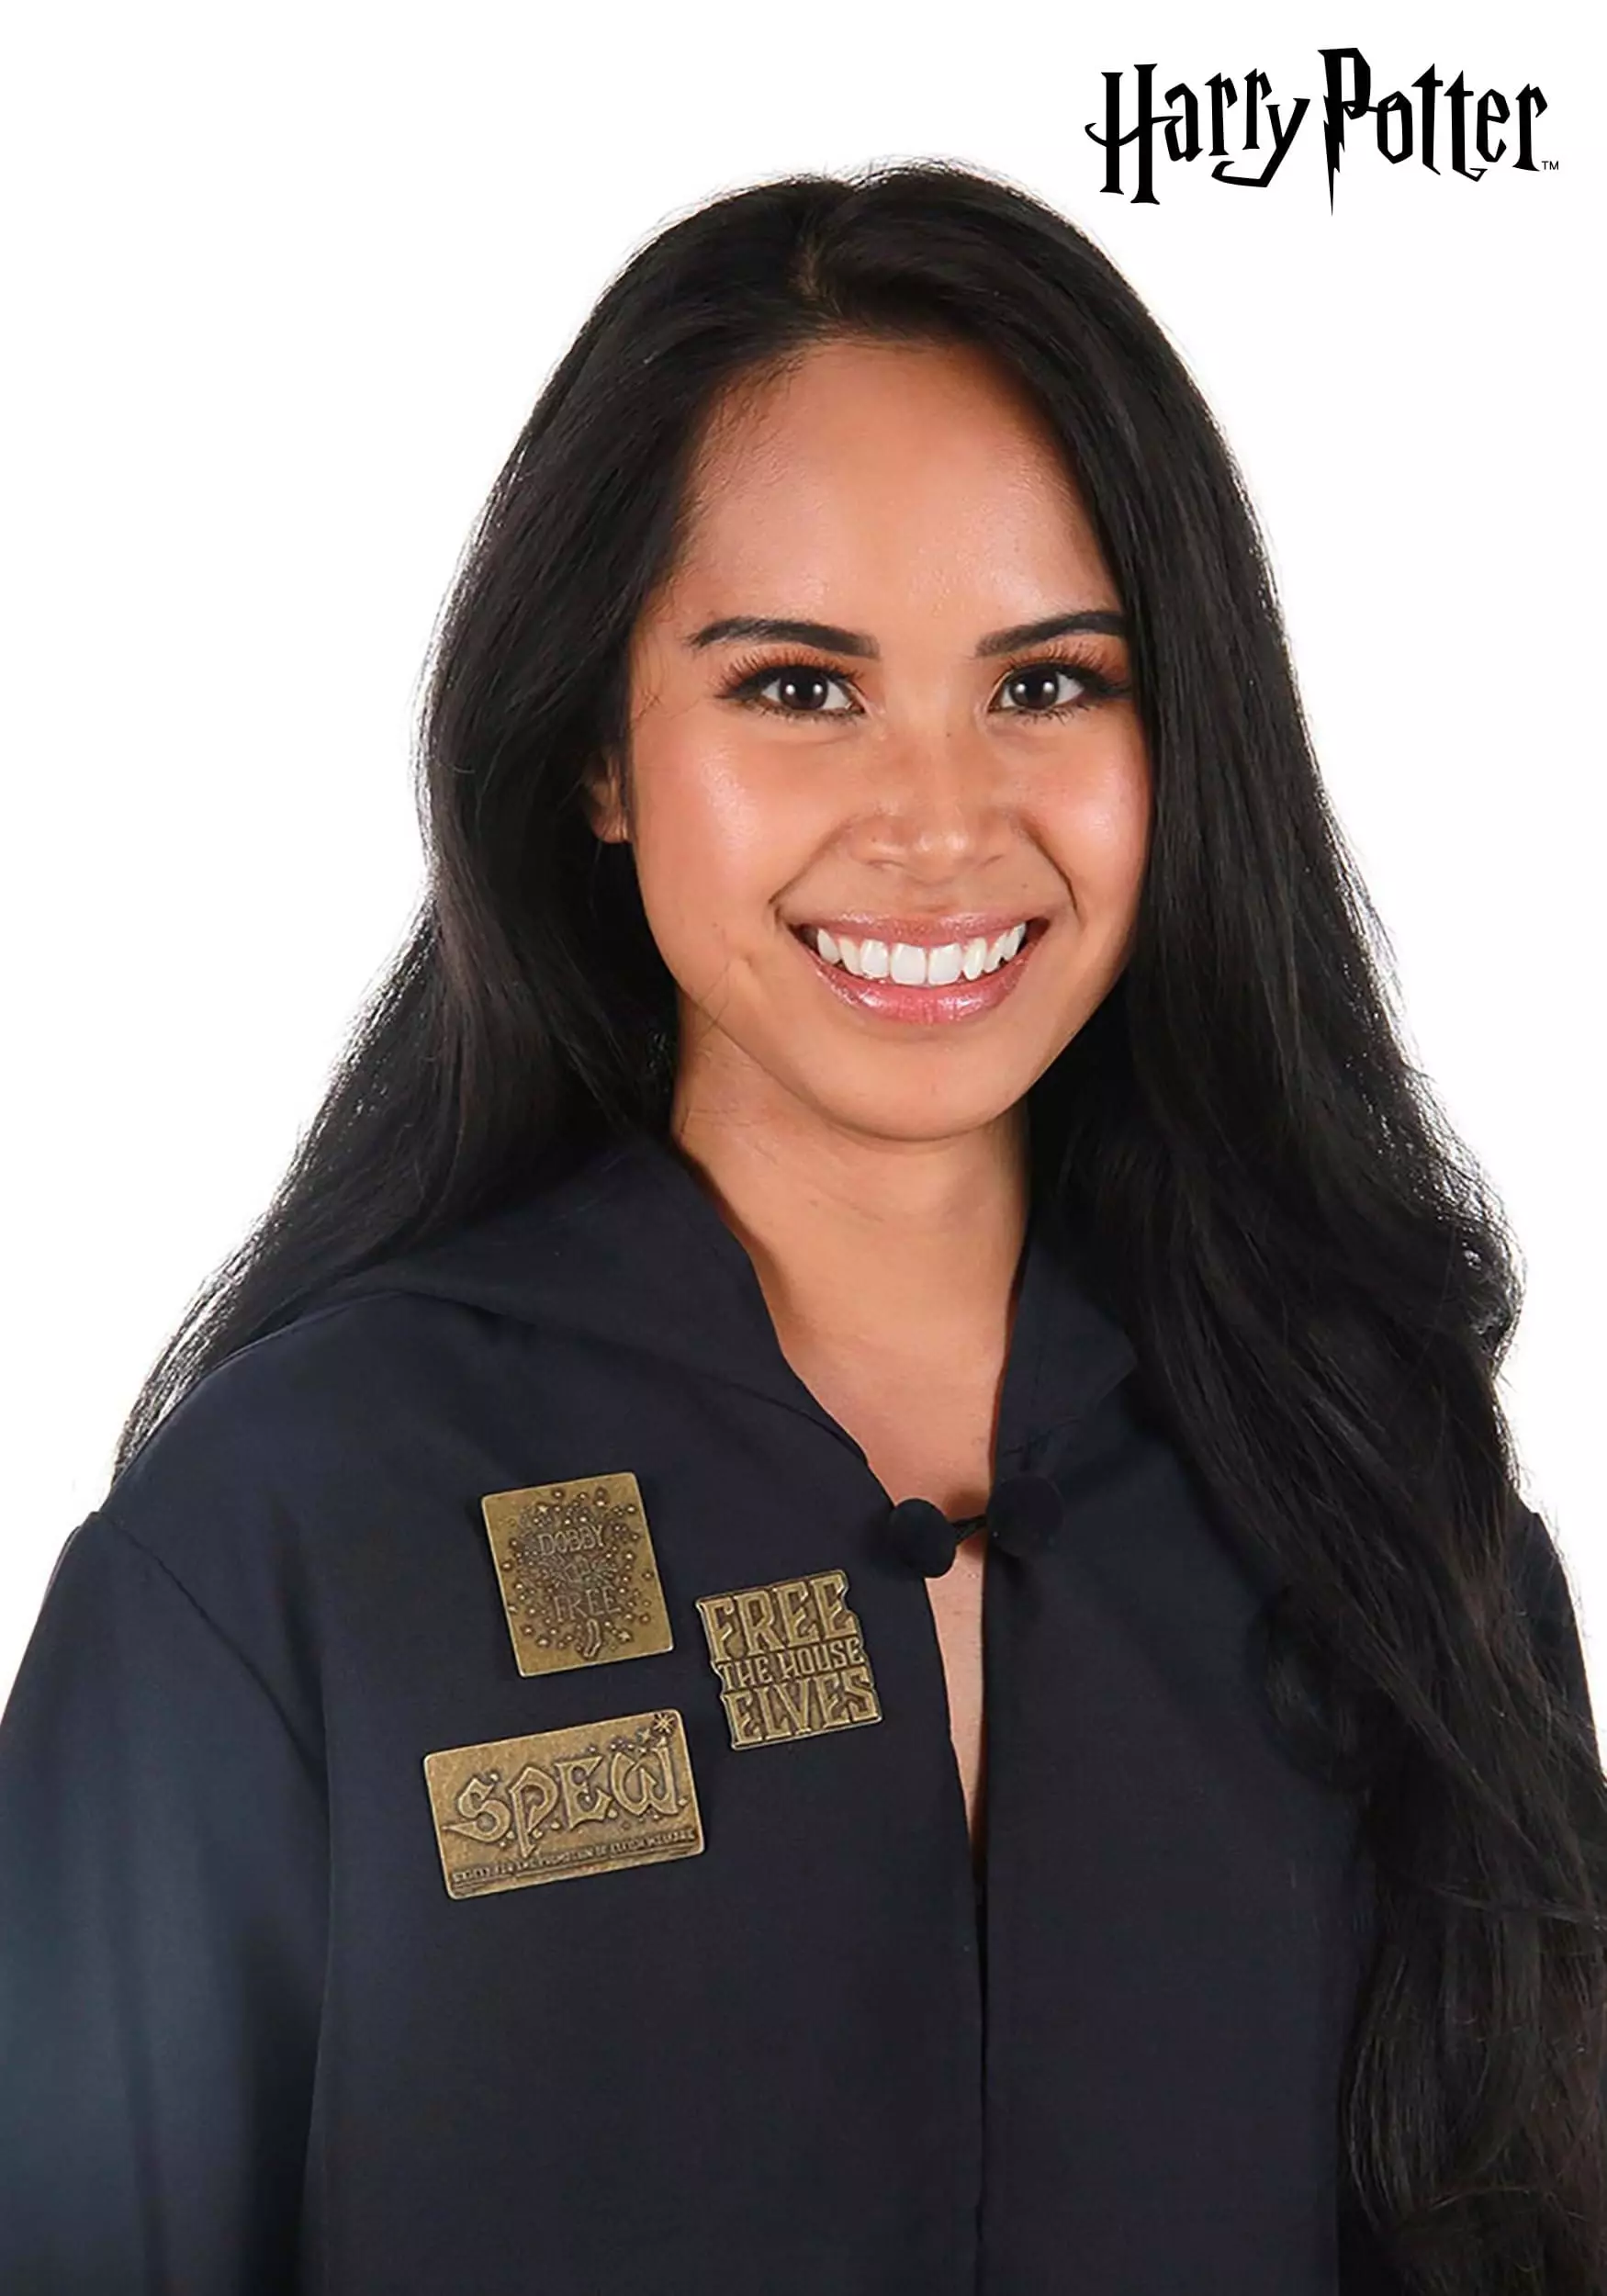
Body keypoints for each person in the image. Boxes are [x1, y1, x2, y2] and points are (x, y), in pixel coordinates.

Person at [1, 159, 1602, 2296]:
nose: (937, 823)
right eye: (795, 686)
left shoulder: (1392, 1528)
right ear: (596, 749)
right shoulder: (280, 1542)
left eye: (1047, 684)